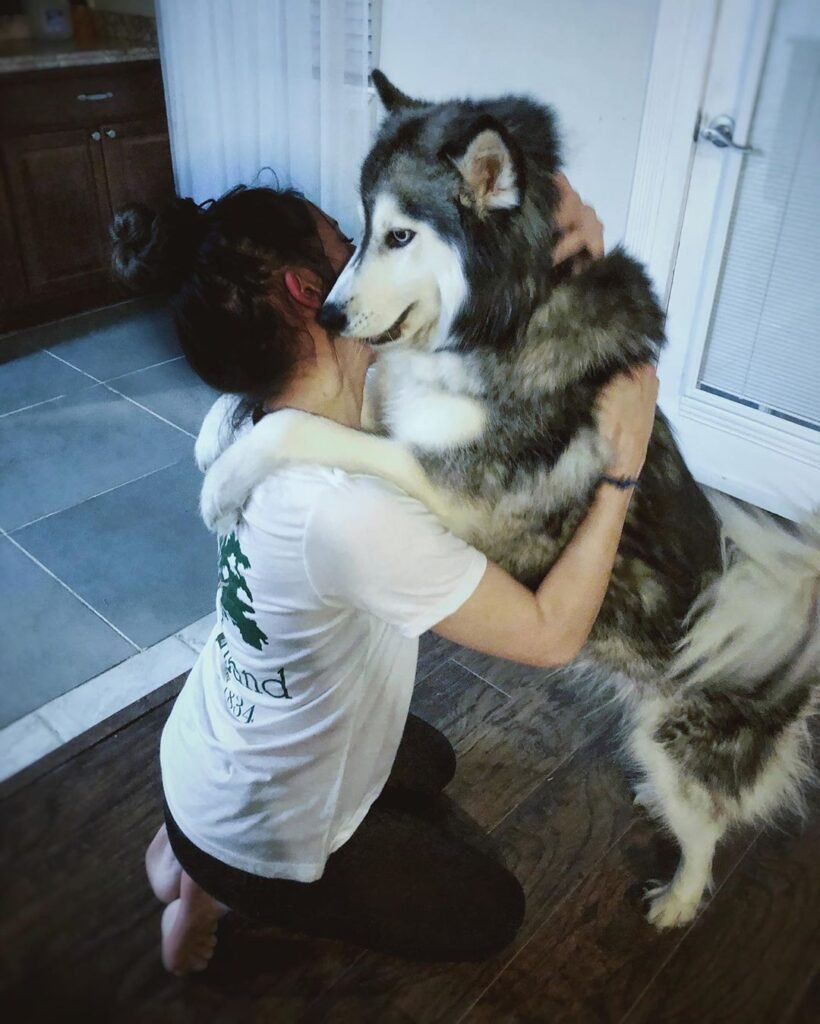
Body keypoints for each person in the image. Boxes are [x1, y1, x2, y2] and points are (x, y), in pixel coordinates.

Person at [112, 176, 658, 976]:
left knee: (427, 759)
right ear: (309, 289)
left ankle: (185, 854)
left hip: (208, 748)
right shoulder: (345, 510)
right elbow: (550, 637)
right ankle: (211, 884)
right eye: (346, 238)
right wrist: (621, 471)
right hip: (255, 821)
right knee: (490, 914)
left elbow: (465, 319)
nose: (369, 246)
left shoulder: (240, 419)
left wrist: (578, 253)